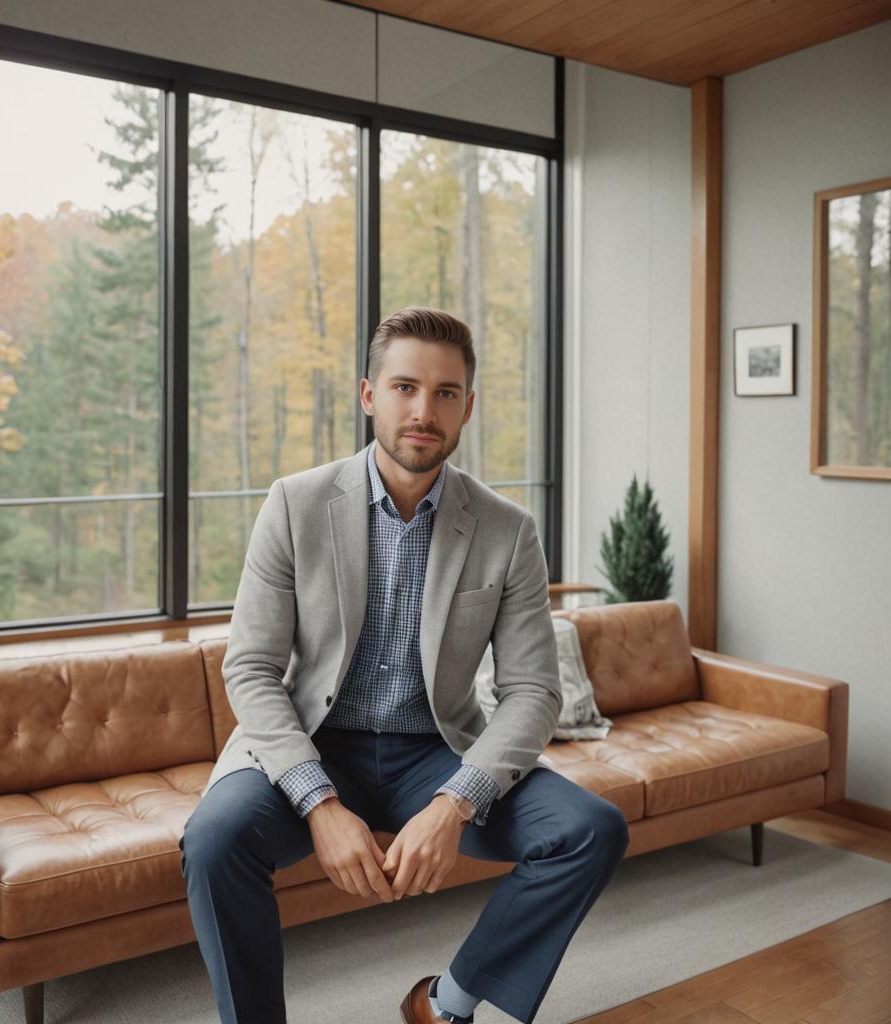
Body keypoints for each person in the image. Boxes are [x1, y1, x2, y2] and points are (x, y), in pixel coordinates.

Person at [180, 307, 629, 1024]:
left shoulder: (508, 530)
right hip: (316, 746)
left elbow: (533, 692)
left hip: (438, 752)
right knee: (213, 839)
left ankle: (445, 1005)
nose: (424, 411)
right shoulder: (294, 505)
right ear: (369, 395)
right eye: (405, 388)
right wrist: (318, 804)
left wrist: (458, 802)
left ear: (468, 408)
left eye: (446, 393)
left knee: (591, 828)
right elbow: (251, 670)